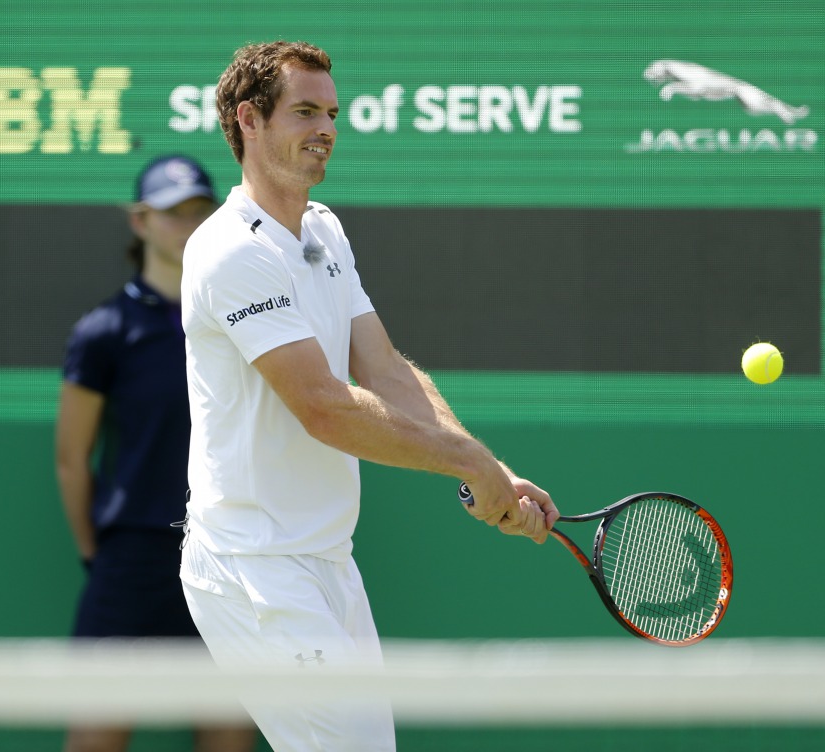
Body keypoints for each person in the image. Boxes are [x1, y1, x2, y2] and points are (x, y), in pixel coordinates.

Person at [177, 41, 559, 751]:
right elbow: (325, 407)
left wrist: (489, 467)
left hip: (328, 562)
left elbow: (384, 369)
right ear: (248, 121)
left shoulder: (323, 230)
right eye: (304, 112)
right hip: (256, 570)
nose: (325, 128)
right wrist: (466, 467)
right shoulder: (229, 251)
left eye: (331, 113)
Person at [55, 155, 259, 752]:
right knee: (96, 732)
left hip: (231, 552)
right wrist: (99, 553)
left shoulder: (244, 319)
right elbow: (72, 457)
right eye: (172, 214)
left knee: (227, 732)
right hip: (132, 561)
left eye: (199, 211)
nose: (187, 225)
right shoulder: (105, 331)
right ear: (141, 222)